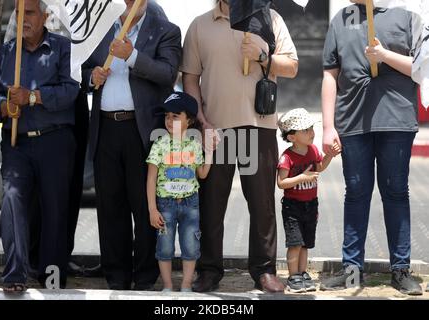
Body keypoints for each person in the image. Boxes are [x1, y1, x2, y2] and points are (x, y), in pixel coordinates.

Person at [181, 0, 298, 293]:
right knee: (211, 202)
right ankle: (209, 269)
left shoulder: (270, 19)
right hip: (214, 129)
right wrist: (201, 119)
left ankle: (264, 270)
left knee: (261, 204)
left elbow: (292, 66)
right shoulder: (200, 25)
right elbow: (190, 78)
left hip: (259, 126)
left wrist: (262, 55)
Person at [320, 0, 422, 295]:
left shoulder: (406, 17)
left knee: (396, 193)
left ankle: (401, 270)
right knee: (355, 194)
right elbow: (330, 73)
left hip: (396, 118)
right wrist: (328, 126)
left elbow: (421, 69)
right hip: (352, 120)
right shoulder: (342, 18)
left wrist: (384, 55)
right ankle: (352, 269)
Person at [82, 0, 182, 290]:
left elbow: (167, 73)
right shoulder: (99, 31)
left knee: (144, 204)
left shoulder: (166, 31)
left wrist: (133, 55)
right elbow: (83, 68)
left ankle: (146, 275)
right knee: (110, 206)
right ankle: (116, 275)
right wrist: (92, 77)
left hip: (143, 130)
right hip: (105, 128)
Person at [0, 0, 79, 291]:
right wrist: (5, 108)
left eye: (29, 13)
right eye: (18, 13)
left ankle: (52, 281)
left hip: (55, 141)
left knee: (55, 211)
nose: (22, 18)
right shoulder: (8, 51)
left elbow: (70, 92)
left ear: (45, 16)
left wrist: (31, 98)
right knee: (12, 200)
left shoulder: (63, 48)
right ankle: (15, 275)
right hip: (18, 144)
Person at [146, 92, 212, 292]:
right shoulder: (159, 144)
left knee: (190, 246)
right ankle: (167, 285)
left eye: (175, 116)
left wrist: (209, 153)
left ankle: (185, 285)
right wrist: (152, 209)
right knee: (164, 246)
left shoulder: (194, 145)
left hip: (190, 204)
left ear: (189, 120)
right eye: (167, 116)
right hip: (165, 204)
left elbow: (202, 173)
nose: (169, 120)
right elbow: (151, 178)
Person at [277, 108, 340, 293]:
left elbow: (319, 167)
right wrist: (301, 178)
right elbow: (281, 183)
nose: (311, 133)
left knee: (305, 243)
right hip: (293, 207)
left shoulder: (313, 150)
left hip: (311, 205)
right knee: (294, 243)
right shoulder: (287, 157)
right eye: (305, 130)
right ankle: (293, 276)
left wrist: (329, 155)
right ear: (291, 137)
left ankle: (302, 273)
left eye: (311, 128)